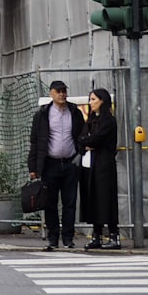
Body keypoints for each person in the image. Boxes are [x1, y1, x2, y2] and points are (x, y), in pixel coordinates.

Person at [28, 79, 85, 250]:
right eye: (58, 91)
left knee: (70, 202)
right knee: (50, 203)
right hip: (50, 164)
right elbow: (35, 141)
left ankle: (68, 237)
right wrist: (33, 167)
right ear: (51, 93)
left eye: (64, 91)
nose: (62, 94)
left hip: (70, 163)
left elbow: (82, 134)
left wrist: (79, 154)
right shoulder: (42, 114)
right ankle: (53, 237)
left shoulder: (74, 112)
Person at [79, 88, 120, 250]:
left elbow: (97, 138)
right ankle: (96, 235)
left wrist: (88, 141)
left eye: (94, 99)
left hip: (104, 164)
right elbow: (81, 138)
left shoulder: (108, 120)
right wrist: (86, 142)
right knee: (93, 198)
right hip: (90, 164)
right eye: (90, 99)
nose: (91, 103)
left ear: (102, 101)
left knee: (106, 199)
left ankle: (113, 236)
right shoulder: (90, 119)